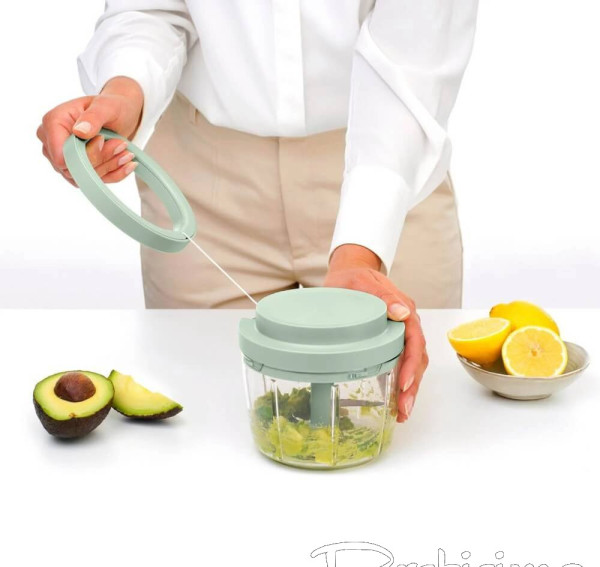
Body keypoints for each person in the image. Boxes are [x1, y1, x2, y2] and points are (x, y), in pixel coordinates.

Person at [37, 1, 478, 423]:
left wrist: (361, 251)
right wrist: (126, 88)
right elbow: (151, 8)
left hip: (388, 168)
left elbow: (417, 48)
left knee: (408, 419)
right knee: (201, 421)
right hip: (202, 176)